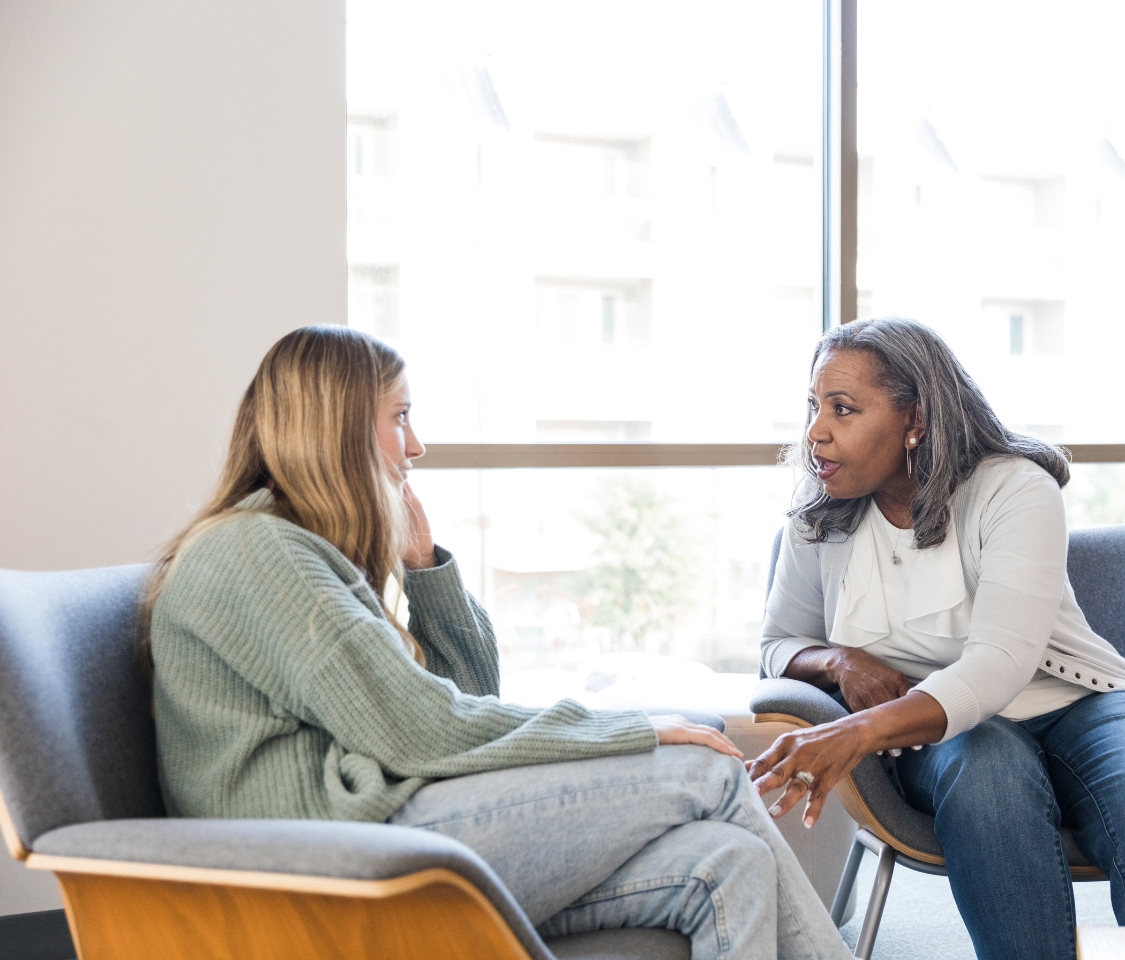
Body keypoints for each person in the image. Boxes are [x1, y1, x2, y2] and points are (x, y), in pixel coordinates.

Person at [144, 325, 854, 960]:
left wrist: (427, 575)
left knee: (730, 863)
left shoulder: (293, 548)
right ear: (336, 430)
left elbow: (469, 702)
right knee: (710, 772)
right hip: (321, 859)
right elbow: (421, 729)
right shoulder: (255, 552)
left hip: (379, 825)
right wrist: (629, 731)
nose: (416, 445)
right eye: (399, 417)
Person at [747, 318, 1125, 960]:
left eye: (843, 408)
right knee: (989, 777)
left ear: (914, 419)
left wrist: (858, 732)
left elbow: (1000, 663)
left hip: (1087, 703)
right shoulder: (818, 513)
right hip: (941, 725)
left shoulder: (1014, 489)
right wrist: (837, 661)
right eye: (814, 406)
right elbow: (778, 644)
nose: (816, 430)